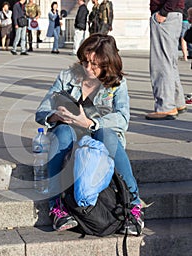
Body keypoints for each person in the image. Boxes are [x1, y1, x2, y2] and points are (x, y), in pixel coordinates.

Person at [35, 34, 144, 234]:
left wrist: (91, 122)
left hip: (99, 138)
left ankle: (133, 207)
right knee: (64, 133)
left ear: (108, 63)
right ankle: (56, 206)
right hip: (70, 138)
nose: (87, 68)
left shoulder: (117, 84)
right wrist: (56, 116)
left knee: (107, 134)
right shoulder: (66, 77)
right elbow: (41, 111)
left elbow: (122, 118)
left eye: (94, 64)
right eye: (85, 61)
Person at [146, 0, 187, 120]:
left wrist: (163, 12)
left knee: (161, 63)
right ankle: (177, 102)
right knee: (169, 62)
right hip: (171, 14)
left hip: (166, 15)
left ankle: (166, 107)